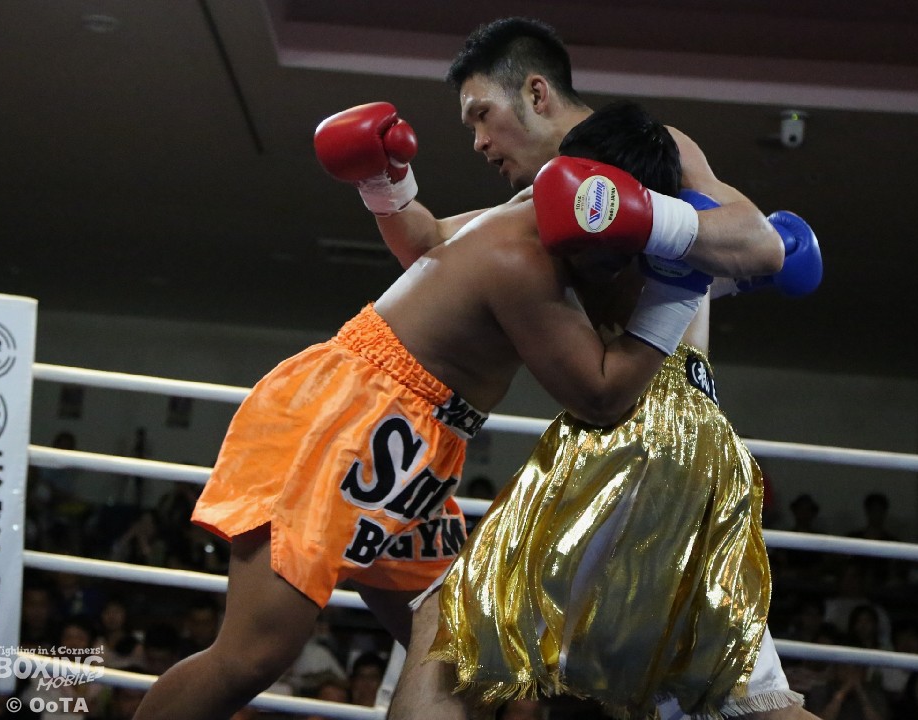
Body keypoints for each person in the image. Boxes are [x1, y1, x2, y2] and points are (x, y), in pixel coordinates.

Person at [132, 86, 733, 720]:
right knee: (254, 654)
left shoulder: (547, 227)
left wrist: (385, 183)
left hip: (421, 444)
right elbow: (602, 395)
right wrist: (681, 288)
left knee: (470, 659)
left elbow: (428, 238)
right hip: (345, 418)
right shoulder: (519, 254)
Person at [316, 17, 819, 720]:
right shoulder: (532, 203)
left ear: (537, 92)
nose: (478, 141)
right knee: (738, 702)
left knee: (450, 626)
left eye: (481, 115)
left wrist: (642, 219)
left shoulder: (654, 148)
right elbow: (431, 250)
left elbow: (764, 246)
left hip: (637, 429)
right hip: (681, 447)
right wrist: (385, 184)